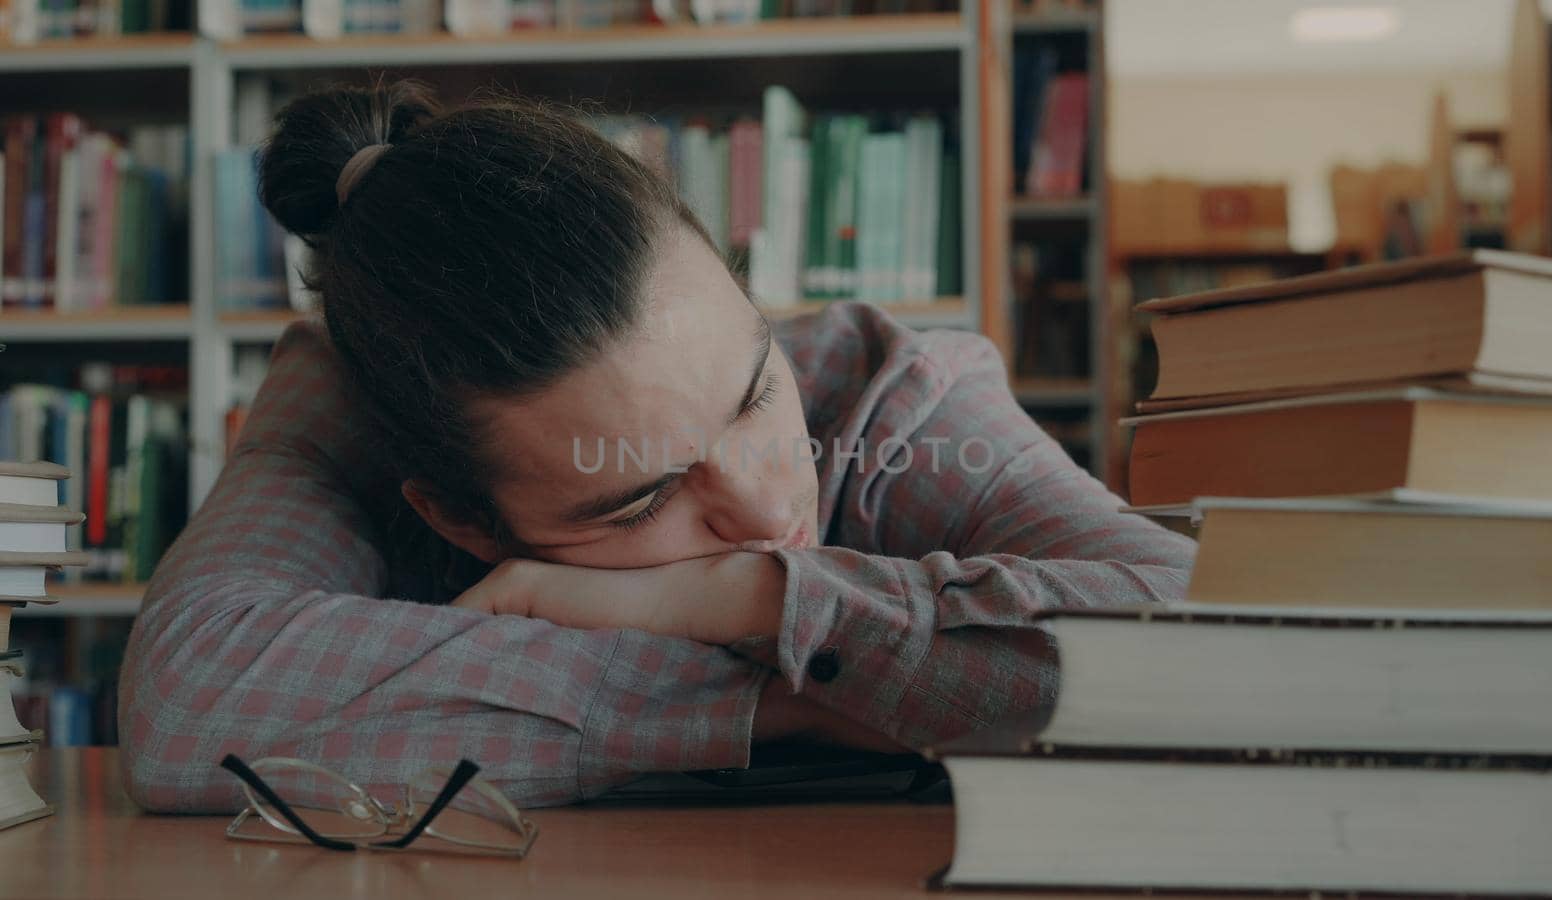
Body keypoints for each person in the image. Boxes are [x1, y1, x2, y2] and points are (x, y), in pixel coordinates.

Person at [118, 82, 1194, 812]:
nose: (770, 512)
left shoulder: (895, 390)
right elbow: (186, 712)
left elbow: (1213, 633)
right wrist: (801, 702)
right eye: (637, 501)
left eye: (754, 391)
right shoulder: (352, 411)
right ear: (461, 518)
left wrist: (731, 600)